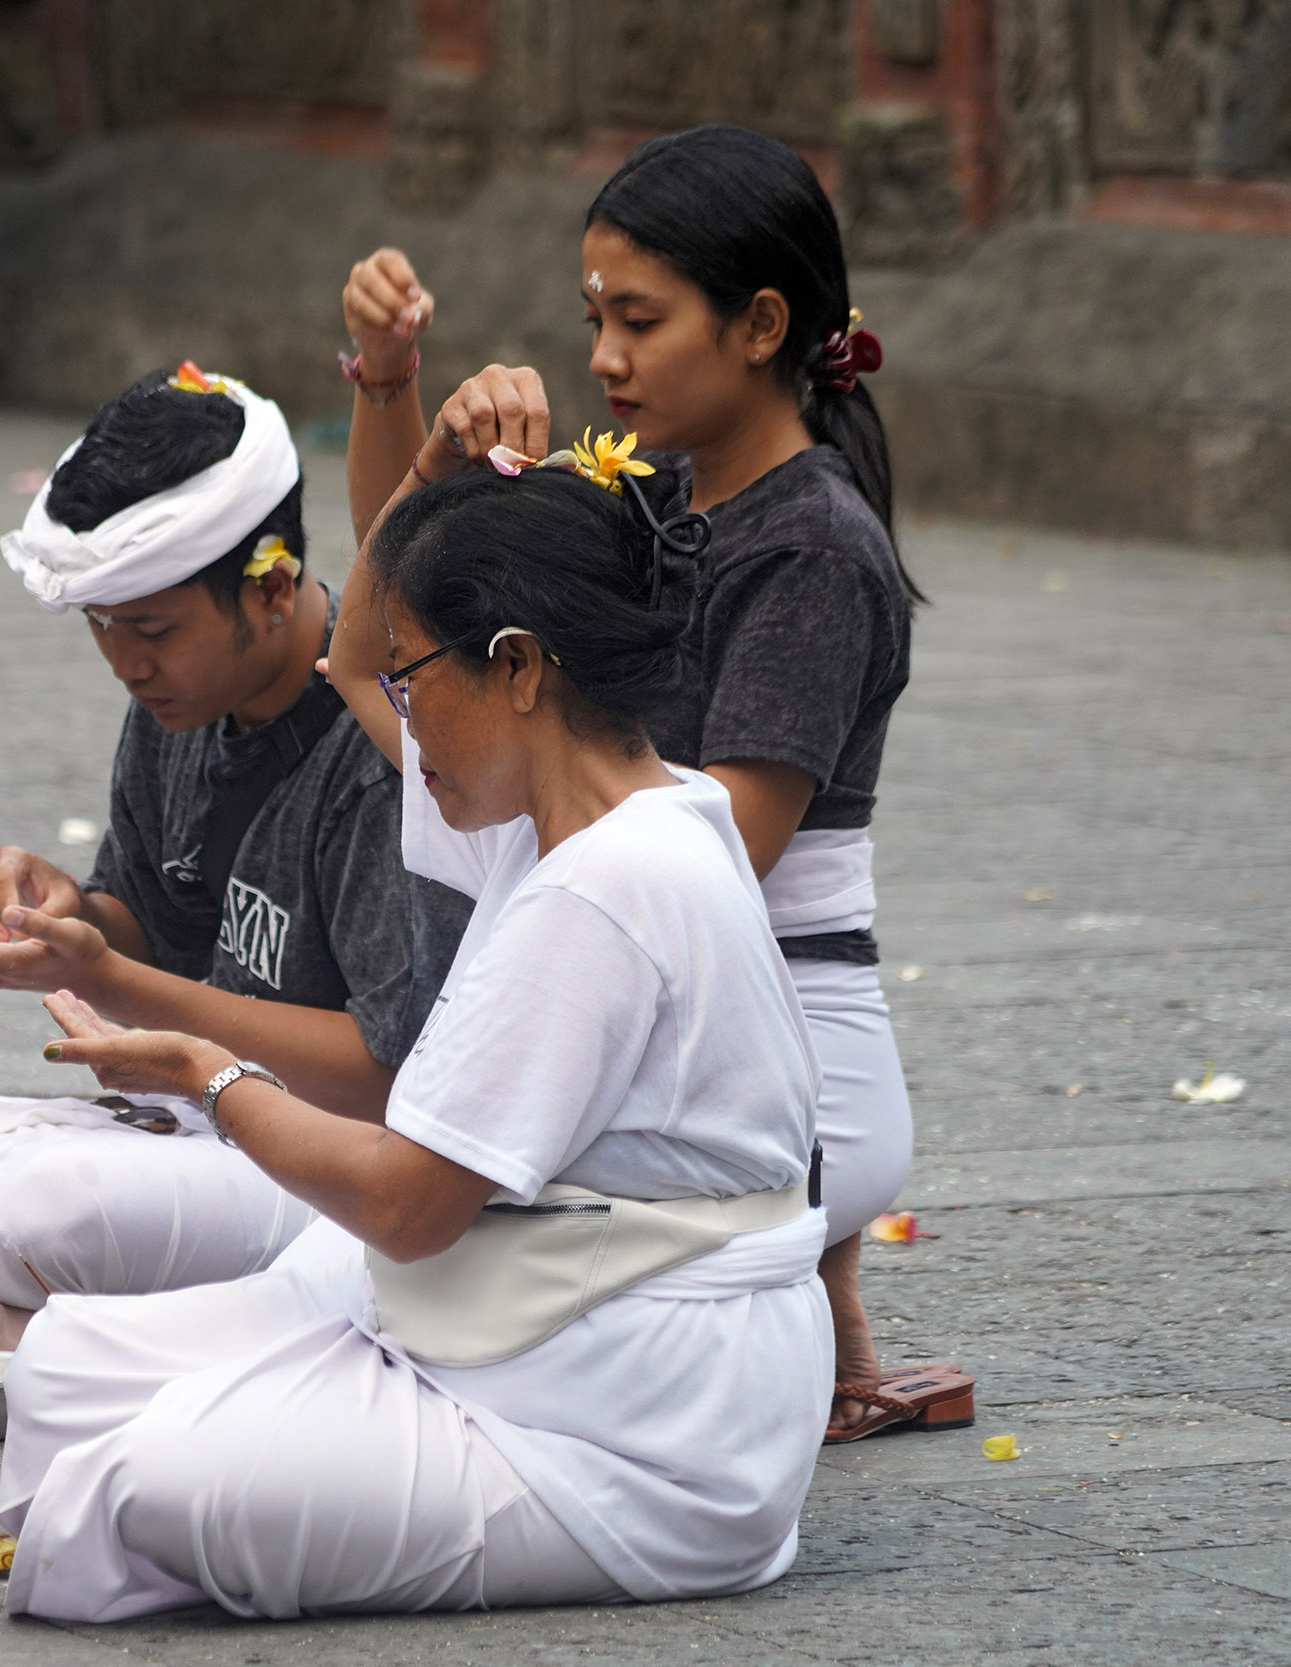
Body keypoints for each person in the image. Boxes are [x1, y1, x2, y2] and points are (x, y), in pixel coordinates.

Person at [0, 455, 831, 1620]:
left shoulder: (609, 879)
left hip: (638, 1427)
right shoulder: (575, 812)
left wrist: (214, 1075)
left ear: (519, 666)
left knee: (156, 1479)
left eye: (414, 681)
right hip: (522, 1313)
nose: (392, 709)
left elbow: (406, 1204)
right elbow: (347, 653)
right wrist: (435, 477)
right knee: (69, 1368)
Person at [338, 125, 960, 1441]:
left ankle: (795, 1300)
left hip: (783, 1072)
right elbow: (399, 627)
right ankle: (821, 1310)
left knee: (385, 1227)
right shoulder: (650, 492)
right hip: (666, 1028)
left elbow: (725, 843)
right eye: (593, 319)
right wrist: (409, 418)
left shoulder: (812, 544)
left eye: (640, 317)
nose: (604, 356)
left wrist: (533, 758)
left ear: (759, 323)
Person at [0, 363, 469, 1345]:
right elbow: (145, 925)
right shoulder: (176, 702)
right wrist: (68, 920)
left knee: (56, 1205)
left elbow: (389, 1074)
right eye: (102, 626)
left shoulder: (381, 754)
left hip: (327, 1166)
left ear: (272, 588)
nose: (125, 661)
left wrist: (131, 995)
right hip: (177, 1129)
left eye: (153, 628)